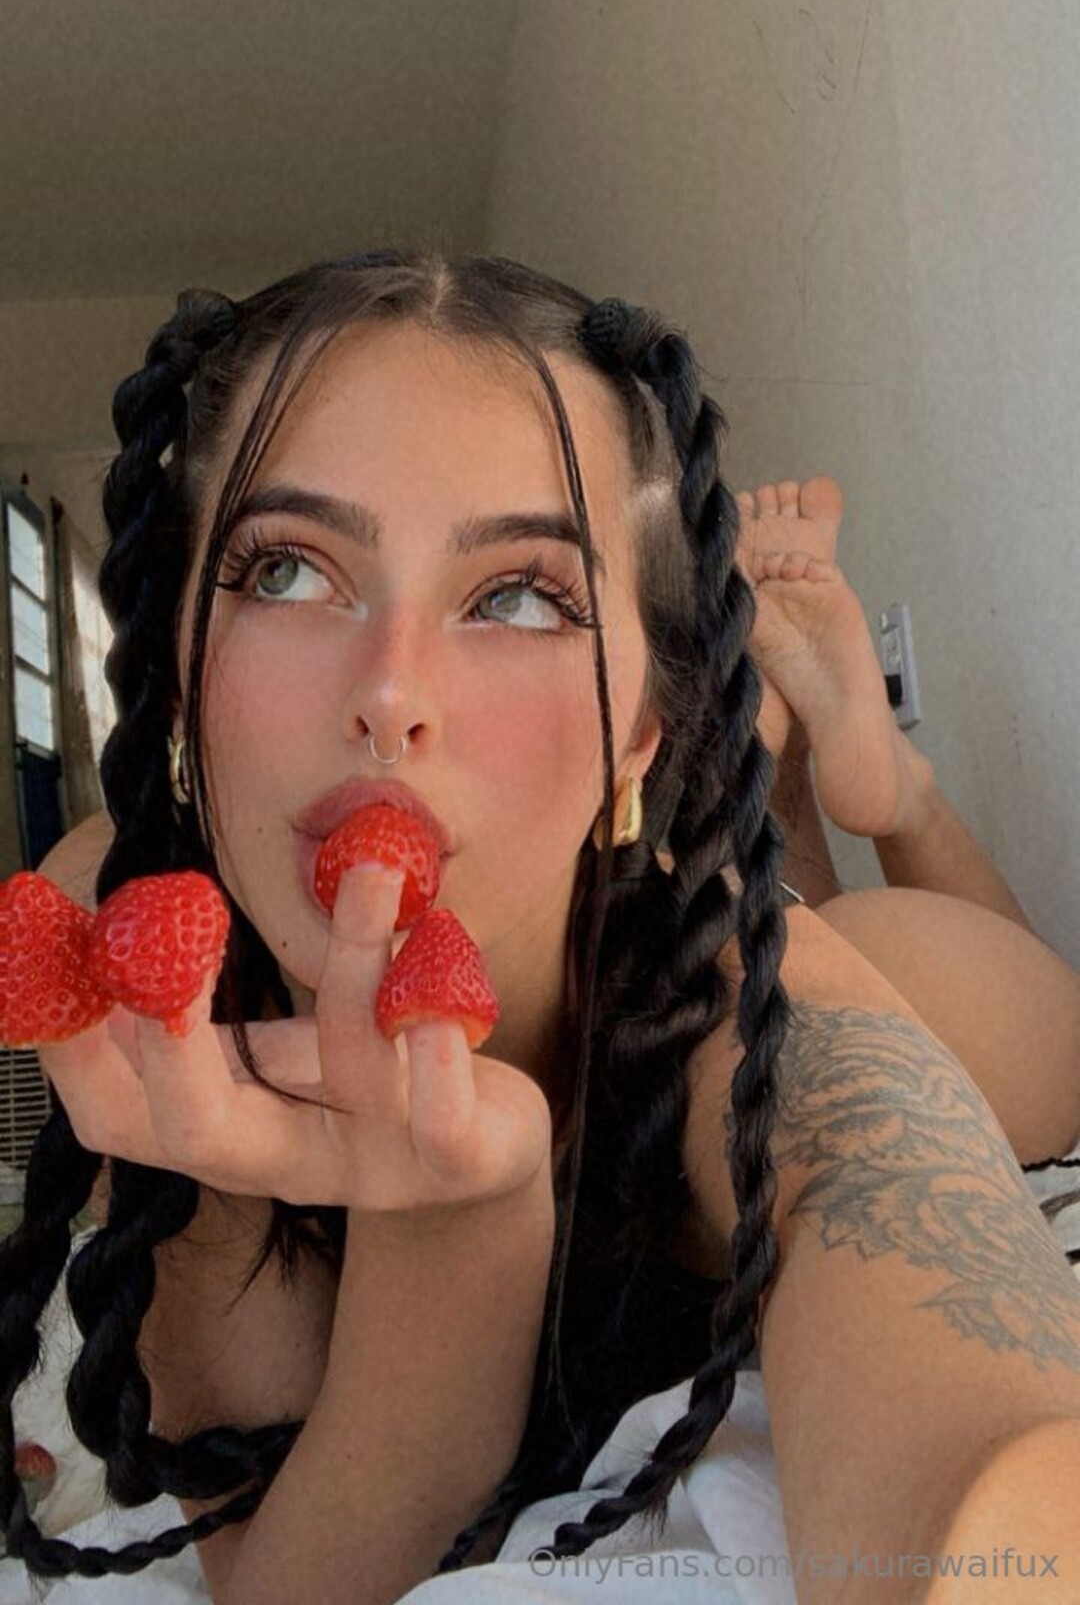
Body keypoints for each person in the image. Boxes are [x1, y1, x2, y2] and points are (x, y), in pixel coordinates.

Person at [1, 247, 1079, 1604]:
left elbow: (981, 1443)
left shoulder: (751, 999)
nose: (391, 694)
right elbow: (288, 1576)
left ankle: (868, 783)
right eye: (285, 571)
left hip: (912, 974)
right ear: (176, 675)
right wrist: (463, 1223)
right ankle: (783, 769)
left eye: (520, 596)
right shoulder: (156, 976)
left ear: (639, 733)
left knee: (1050, 1042)